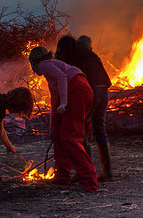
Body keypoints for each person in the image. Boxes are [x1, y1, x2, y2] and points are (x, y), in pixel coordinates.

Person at [29, 46, 98, 192]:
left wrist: (65, 103)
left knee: (70, 138)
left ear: (34, 62)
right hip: (82, 89)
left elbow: (62, 78)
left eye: (31, 66)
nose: (33, 70)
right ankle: (62, 176)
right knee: (60, 134)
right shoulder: (52, 68)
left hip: (76, 90)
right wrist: (52, 126)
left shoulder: (45, 64)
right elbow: (55, 98)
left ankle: (88, 182)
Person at [56, 35, 113, 181]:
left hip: (93, 93)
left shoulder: (77, 59)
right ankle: (107, 172)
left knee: (82, 130)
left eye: (60, 51)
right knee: (100, 130)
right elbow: (107, 80)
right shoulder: (92, 56)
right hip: (104, 92)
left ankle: (85, 172)